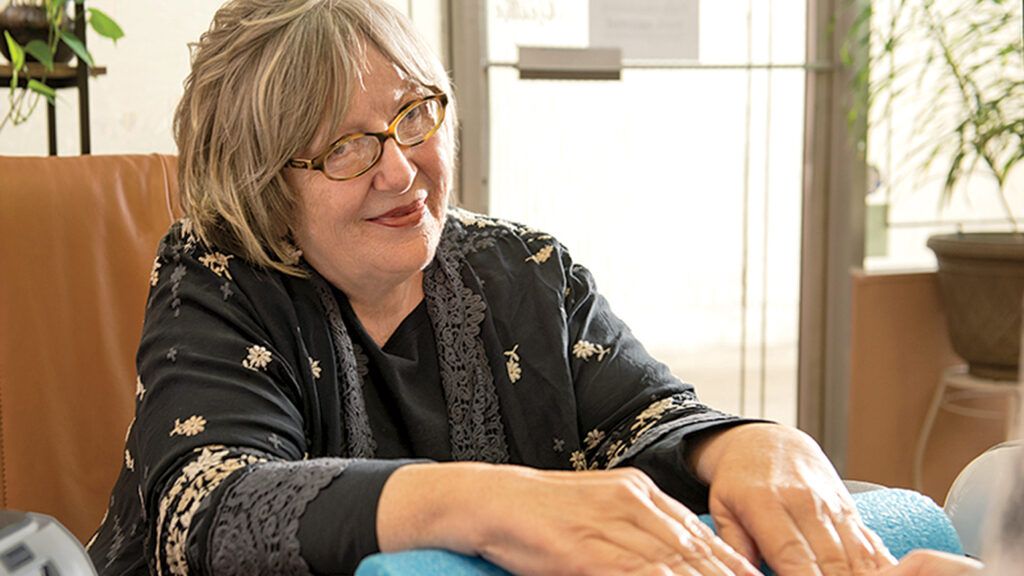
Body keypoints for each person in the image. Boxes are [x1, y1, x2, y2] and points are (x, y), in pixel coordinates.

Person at [85, 1, 896, 574]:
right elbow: (209, 510)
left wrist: (755, 445)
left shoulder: (527, 271)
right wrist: (488, 503)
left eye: (414, 114)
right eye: (342, 148)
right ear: (262, 187)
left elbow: (644, 422)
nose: (403, 170)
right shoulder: (218, 274)